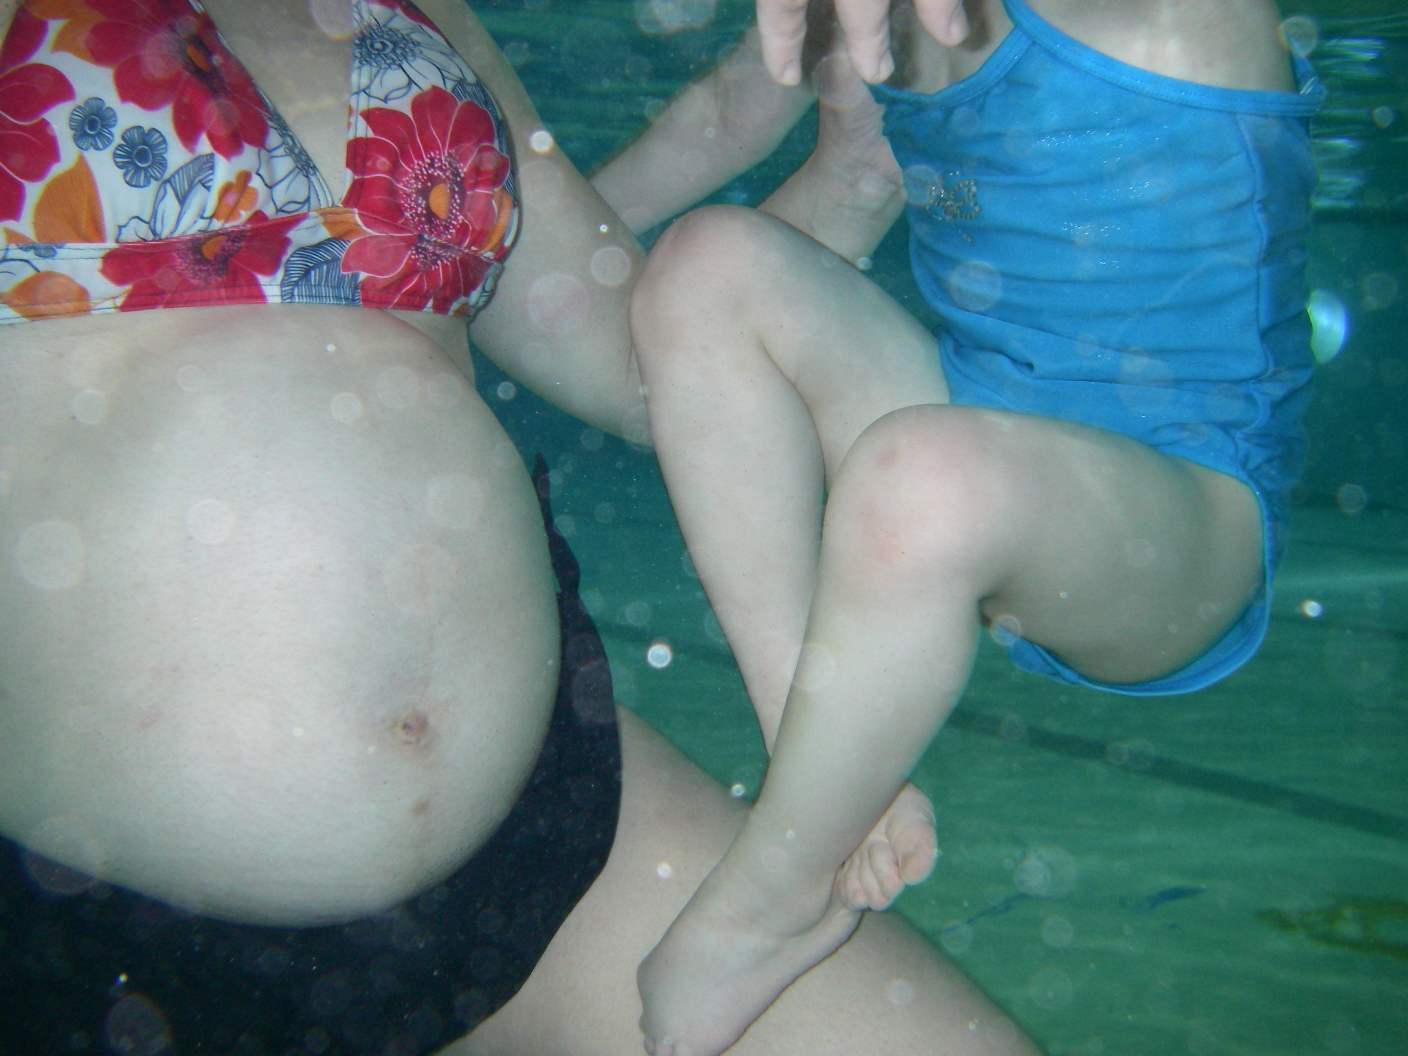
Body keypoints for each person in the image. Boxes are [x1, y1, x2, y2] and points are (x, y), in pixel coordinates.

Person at [0, 1, 1040, 1053]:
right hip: (108, 926)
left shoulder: (412, 17)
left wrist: (857, 166)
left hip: (546, 840)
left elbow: (650, 364)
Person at [626, 0, 1326, 1052]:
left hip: (1185, 523)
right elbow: (741, 128)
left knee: (926, 476)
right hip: (975, 434)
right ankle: (820, 779)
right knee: (703, 265)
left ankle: (772, 902)